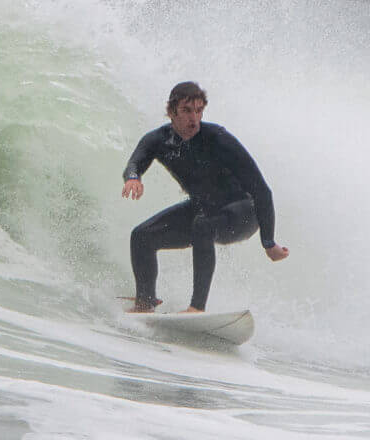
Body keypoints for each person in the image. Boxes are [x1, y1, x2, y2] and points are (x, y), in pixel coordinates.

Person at [120, 80, 288, 312]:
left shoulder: (218, 138)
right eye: (187, 111)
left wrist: (268, 242)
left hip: (243, 212)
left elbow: (262, 190)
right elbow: (134, 164)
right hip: (204, 208)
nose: (194, 119)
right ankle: (145, 302)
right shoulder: (158, 140)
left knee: (203, 225)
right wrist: (133, 178)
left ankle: (196, 308)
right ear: (171, 111)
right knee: (142, 236)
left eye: (199, 111)